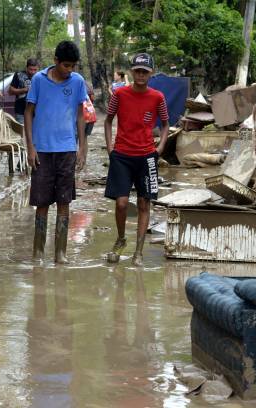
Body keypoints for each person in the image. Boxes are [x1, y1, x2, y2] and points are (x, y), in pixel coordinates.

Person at [24, 41, 88, 263]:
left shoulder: (77, 82)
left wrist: (83, 146)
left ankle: (61, 252)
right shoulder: (38, 80)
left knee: (64, 200)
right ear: (56, 61)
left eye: (73, 66)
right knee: (42, 202)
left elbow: (81, 115)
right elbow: (29, 113)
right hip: (42, 150)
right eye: (66, 65)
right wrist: (30, 147)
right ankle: (38, 251)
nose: (70, 70)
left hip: (67, 149)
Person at [104, 53, 169, 266]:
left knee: (144, 202)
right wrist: (110, 147)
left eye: (145, 72)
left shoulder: (157, 97)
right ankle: (121, 239)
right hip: (122, 155)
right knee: (122, 203)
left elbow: (166, 124)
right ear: (132, 71)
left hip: (147, 157)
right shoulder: (119, 94)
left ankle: (138, 251)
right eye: (138, 71)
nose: (141, 75)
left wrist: (159, 148)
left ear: (150, 74)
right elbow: (108, 121)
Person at [10, 58, 40, 124]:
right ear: (26, 67)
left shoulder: (41, 77)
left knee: (35, 133)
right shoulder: (18, 75)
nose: (33, 72)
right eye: (30, 69)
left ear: (38, 68)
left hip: (37, 111)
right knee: (22, 132)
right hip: (21, 111)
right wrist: (25, 90)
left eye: (35, 70)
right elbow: (10, 91)